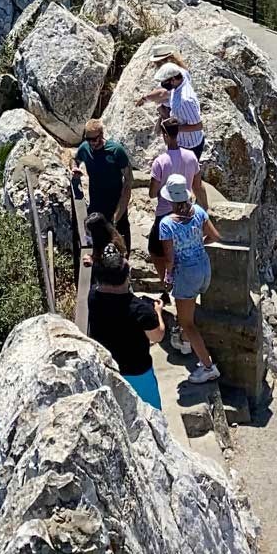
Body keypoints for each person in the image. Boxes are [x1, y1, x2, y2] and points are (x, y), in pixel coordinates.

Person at [153, 174, 218, 383]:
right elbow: (215, 236)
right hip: (203, 266)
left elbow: (169, 258)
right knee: (189, 312)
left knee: (186, 322)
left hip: (186, 273)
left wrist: (167, 278)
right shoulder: (198, 211)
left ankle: (208, 367)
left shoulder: (166, 224)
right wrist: (196, 245)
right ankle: (186, 342)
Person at [85, 245, 165, 408]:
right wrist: (158, 313)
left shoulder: (92, 297)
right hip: (137, 371)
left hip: (107, 369)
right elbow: (157, 336)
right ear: (127, 276)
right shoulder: (142, 310)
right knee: (151, 414)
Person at [71, 119, 131, 251]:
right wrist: (75, 168)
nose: (92, 143)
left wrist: (119, 212)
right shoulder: (85, 148)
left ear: (102, 134)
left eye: (95, 139)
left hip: (115, 203)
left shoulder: (116, 151)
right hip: (96, 204)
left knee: (121, 243)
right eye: (88, 139)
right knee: (97, 243)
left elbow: (128, 181)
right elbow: (75, 159)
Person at [147, 59, 206, 154]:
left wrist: (175, 129)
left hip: (189, 145)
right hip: (181, 141)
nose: (163, 85)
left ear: (173, 79)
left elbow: (198, 126)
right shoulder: (178, 84)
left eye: (165, 82)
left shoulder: (186, 100)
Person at [146, 123, 200, 215]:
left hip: (165, 212)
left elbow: (152, 194)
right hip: (185, 210)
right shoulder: (191, 156)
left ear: (165, 136)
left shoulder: (160, 162)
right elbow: (197, 185)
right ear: (178, 133)